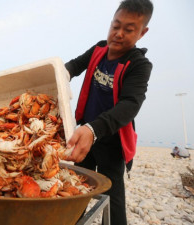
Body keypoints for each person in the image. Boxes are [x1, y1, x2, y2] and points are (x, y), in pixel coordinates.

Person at [64, 0, 153, 224]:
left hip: (111, 139)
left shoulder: (139, 65)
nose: (119, 34)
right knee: (77, 187)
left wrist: (95, 129)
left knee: (112, 195)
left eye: (129, 29)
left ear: (143, 32)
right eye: (116, 26)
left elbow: (130, 104)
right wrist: (57, 77)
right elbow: (71, 67)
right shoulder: (98, 49)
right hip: (83, 132)